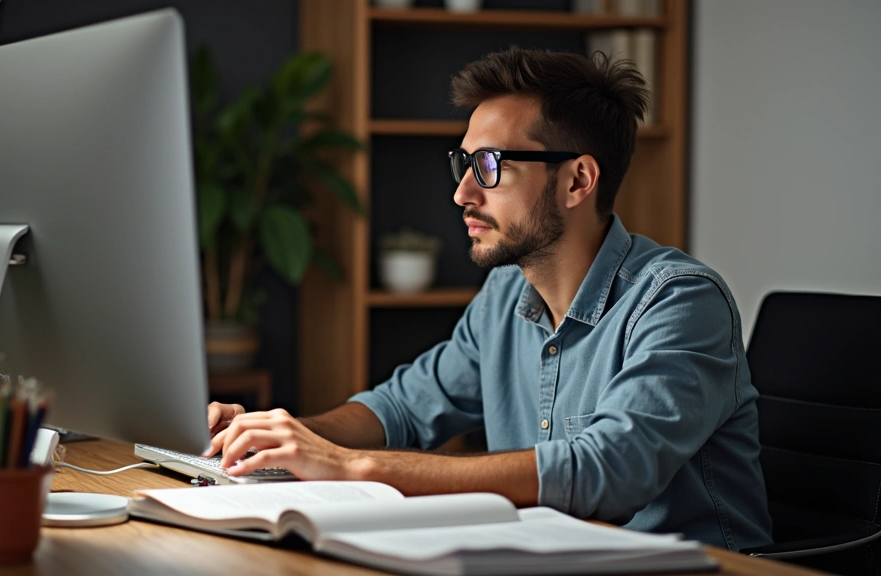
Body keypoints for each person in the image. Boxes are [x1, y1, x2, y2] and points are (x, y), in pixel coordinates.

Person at [204, 47, 772, 551]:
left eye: (491, 166)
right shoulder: (506, 295)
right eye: (464, 163)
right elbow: (401, 409)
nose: (462, 192)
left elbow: (611, 470)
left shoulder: (679, 301)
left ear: (578, 181)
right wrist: (273, 438)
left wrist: (353, 467)